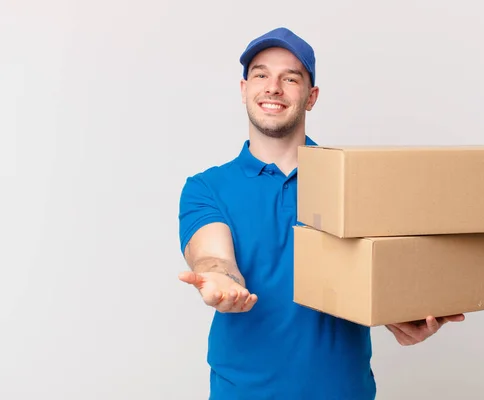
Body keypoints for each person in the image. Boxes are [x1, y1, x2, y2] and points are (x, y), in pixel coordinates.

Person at [177, 27, 465, 400]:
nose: (273, 87)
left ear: (311, 97)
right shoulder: (207, 187)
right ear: (244, 88)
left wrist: (405, 314)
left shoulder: (354, 181)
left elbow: (381, 272)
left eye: (290, 78)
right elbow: (213, 255)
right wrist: (219, 280)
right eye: (261, 75)